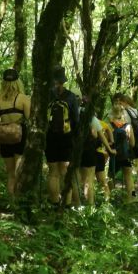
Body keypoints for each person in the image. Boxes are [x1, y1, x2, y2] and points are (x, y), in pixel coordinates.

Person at [0, 68, 30, 198]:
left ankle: (12, 202)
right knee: (19, 172)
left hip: (4, 138)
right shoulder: (23, 98)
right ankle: (20, 202)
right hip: (20, 137)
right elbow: (30, 120)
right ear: (18, 82)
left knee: (10, 174)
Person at [45, 65, 80, 205]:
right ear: (63, 80)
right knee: (65, 172)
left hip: (50, 137)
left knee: (53, 172)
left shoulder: (46, 95)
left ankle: (54, 202)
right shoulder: (71, 97)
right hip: (66, 137)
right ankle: (66, 203)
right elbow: (76, 120)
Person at [111, 92, 138, 195]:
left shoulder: (125, 112)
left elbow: (124, 127)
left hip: (130, 142)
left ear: (122, 101)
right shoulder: (137, 111)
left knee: (126, 171)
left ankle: (130, 194)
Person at [108, 100, 136, 201]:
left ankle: (110, 198)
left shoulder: (109, 125)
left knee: (110, 177)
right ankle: (132, 198)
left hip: (114, 155)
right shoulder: (128, 126)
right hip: (126, 155)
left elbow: (108, 142)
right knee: (129, 177)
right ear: (122, 113)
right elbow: (133, 143)